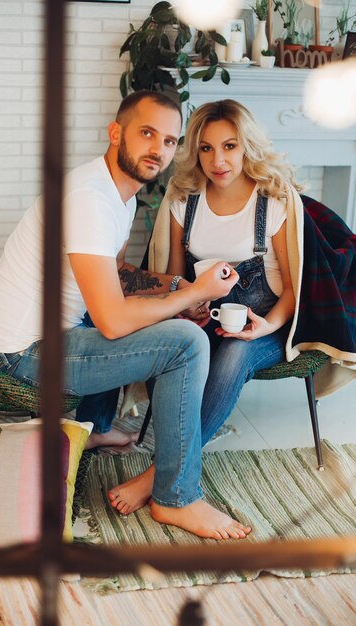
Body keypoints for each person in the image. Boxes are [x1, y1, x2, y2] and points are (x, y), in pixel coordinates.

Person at [0, 91, 251, 541]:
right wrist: (198, 293)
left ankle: (97, 428)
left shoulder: (118, 197)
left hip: (54, 335)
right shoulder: (90, 200)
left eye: (169, 140)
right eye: (147, 133)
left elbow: (118, 275)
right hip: (27, 355)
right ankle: (176, 498)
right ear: (115, 133)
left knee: (158, 318)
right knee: (187, 342)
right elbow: (112, 321)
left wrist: (179, 288)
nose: (158, 150)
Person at [150, 99, 301, 445]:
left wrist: (267, 325)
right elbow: (174, 282)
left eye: (229, 146)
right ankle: (173, 455)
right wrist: (186, 305)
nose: (217, 161)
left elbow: (294, 289)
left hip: (266, 326)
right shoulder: (183, 203)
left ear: (246, 146)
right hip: (204, 322)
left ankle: (163, 469)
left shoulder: (274, 203)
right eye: (206, 148)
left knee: (235, 353)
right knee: (160, 341)